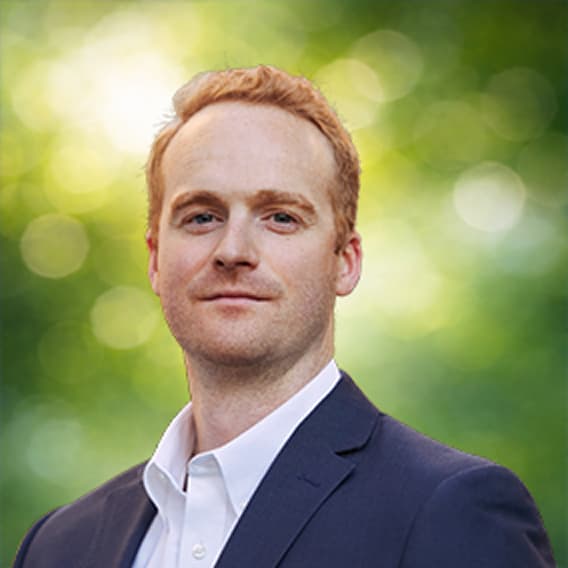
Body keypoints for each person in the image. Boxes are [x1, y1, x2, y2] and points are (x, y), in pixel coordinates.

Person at [14, 65, 555, 568]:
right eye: (201, 217)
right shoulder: (59, 546)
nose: (233, 250)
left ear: (344, 262)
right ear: (155, 259)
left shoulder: (454, 511)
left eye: (280, 217)